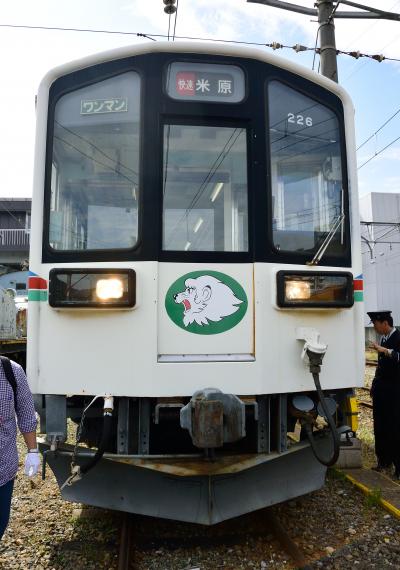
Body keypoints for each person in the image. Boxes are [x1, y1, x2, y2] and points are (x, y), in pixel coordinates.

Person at [0, 357, 40, 541]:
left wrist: (33, 451)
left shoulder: (12, 371)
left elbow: (25, 413)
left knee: (0, 523)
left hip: (3, 470)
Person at [367, 310, 400, 479]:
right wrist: (374, 386)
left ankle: (397, 466)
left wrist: (386, 351)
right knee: (380, 425)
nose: (374, 326)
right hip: (382, 390)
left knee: (394, 426)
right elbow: (380, 367)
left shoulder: (397, 338)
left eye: (375, 324)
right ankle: (383, 461)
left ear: (385, 323)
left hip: (394, 391)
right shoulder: (383, 339)